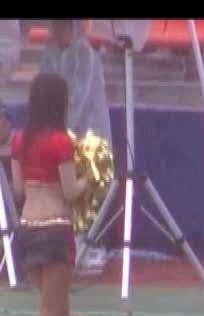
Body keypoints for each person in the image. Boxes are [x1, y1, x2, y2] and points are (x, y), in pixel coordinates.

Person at [12, 73, 100, 316]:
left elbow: (19, 188)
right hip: (54, 229)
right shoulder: (61, 142)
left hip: (27, 229)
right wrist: (92, 178)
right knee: (50, 312)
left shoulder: (20, 140)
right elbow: (70, 190)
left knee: (59, 307)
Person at [41, 19, 111, 275]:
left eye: (62, 27)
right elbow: (43, 94)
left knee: (84, 186)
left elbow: (79, 100)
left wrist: (62, 133)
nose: (56, 32)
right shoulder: (48, 55)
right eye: (54, 27)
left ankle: (88, 241)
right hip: (58, 134)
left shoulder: (86, 56)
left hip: (88, 136)